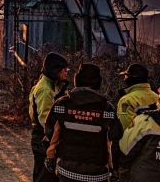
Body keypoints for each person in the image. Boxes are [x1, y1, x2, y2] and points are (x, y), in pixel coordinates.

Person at [43, 63, 123, 182]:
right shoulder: (108, 111)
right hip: (97, 174)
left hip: (66, 171)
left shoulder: (62, 105)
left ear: (77, 80)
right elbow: (113, 144)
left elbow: (51, 136)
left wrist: (50, 158)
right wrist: (114, 170)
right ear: (98, 82)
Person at [29, 52, 69, 182]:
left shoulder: (54, 86)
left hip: (46, 139)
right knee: (44, 176)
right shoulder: (45, 90)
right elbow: (45, 121)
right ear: (54, 70)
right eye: (63, 69)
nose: (66, 71)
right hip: (44, 140)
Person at [117, 64, 158, 131]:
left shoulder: (126, 100)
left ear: (128, 79)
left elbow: (129, 129)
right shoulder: (159, 98)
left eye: (126, 76)